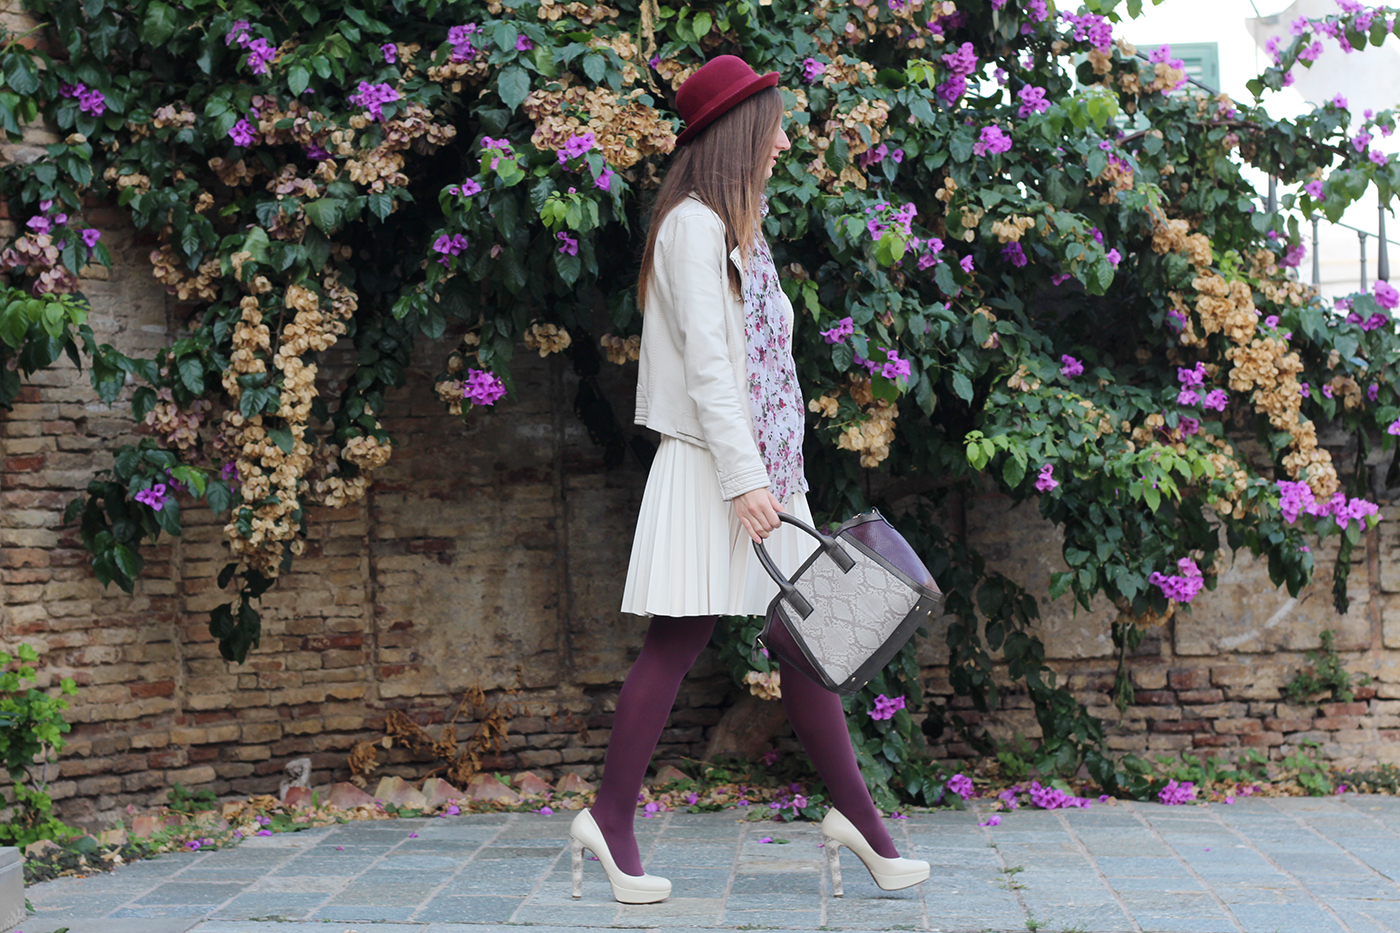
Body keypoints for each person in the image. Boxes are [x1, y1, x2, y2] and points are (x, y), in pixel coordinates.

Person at [567, 55, 931, 905]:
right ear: (740, 133)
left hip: (764, 470)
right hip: (715, 469)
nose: (784, 142)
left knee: (812, 646)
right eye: (775, 126)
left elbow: (762, 365)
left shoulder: (739, 230)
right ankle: (610, 820)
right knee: (679, 640)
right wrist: (743, 479)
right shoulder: (693, 227)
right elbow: (708, 370)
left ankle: (865, 828)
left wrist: (772, 474)